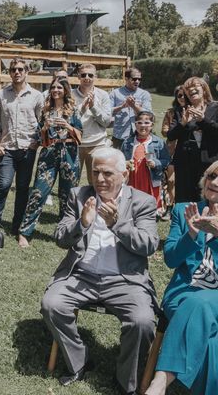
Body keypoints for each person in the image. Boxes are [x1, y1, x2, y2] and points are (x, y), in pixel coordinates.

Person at [40, 147, 158, 394]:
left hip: (125, 280)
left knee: (143, 321)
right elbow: (60, 237)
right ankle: (79, 362)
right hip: (81, 274)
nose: (100, 180)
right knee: (52, 304)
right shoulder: (78, 195)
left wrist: (117, 224)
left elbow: (148, 244)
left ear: (124, 174)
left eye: (107, 173)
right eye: (95, 173)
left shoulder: (142, 201)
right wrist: (82, 222)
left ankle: (126, 381)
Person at [145, 162, 218, 395]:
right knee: (209, 338)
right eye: (212, 175)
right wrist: (192, 233)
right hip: (184, 292)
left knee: (203, 303)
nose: (214, 182)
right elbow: (171, 259)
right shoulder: (184, 210)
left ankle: (158, 385)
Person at [18, 77, 82, 247]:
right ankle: (25, 232)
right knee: (39, 192)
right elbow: (40, 137)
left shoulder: (73, 110)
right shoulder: (46, 110)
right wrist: (45, 128)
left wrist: (68, 127)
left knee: (68, 195)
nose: (56, 90)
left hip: (69, 153)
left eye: (59, 87)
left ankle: (65, 232)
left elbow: (81, 135)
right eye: (53, 87)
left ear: (65, 90)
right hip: (49, 153)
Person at [0, 58, 44, 235]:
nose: (17, 73)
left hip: (27, 148)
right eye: (13, 70)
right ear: (9, 73)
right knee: (3, 184)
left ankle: (16, 224)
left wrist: (37, 141)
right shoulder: (0, 95)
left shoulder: (36, 96)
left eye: (20, 69)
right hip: (7, 147)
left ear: (26, 72)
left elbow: (42, 121)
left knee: (22, 187)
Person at [166, 76, 218, 203]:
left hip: (209, 162)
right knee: (185, 199)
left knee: (208, 197)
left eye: (195, 86)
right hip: (185, 163)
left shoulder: (215, 108)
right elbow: (171, 135)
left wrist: (203, 120)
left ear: (204, 89)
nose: (191, 89)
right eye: (188, 88)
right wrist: (182, 123)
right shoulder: (181, 111)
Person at [121, 111, 170, 213]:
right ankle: (133, 212)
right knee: (133, 196)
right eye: (140, 123)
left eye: (147, 123)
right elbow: (120, 159)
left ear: (152, 125)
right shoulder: (127, 142)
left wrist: (155, 163)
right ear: (135, 125)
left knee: (149, 199)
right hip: (133, 177)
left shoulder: (158, 142)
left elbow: (167, 160)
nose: (143, 126)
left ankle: (152, 212)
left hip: (150, 177)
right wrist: (125, 163)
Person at [71, 63, 112, 184]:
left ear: (95, 77)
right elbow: (69, 120)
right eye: (83, 75)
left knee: (96, 182)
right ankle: (73, 202)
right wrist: (83, 108)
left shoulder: (103, 95)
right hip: (75, 143)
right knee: (71, 180)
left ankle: (95, 203)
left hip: (97, 144)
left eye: (90, 75)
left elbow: (106, 122)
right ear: (78, 76)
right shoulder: (71, 94)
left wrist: (93, 107)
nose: (87, 78)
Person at [160, 85, 187, 217]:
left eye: (184, 95)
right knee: (170, 181)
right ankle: (169, 206)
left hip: (188, 151)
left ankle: (181, 207)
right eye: (179, 95)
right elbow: (164, 131)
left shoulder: (194, 110)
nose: (182, 98)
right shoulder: (171, 112)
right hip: (171, 151)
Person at [109, 68, 152, 149]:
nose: (137, 81)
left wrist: (134, 106)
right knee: (118, 160)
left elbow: (149, 114)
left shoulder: (144, 94)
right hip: (119, 136)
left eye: (139, 79)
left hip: (140, 135)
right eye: (134, 79)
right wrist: (121, 107)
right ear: (126, 79)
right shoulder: (115, 93)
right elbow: (108, 112)